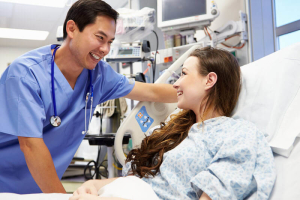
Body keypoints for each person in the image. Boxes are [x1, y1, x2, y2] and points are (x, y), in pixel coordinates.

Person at [0, 0, 177, 194]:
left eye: (110, 42)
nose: (105, 49)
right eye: (100, 37)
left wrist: (202, 91)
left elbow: (151, 91)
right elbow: (31, 146)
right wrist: (61, 198)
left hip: (41, 187)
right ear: (72, 28)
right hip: (5, 184)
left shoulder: (99, 75)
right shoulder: (25, 74)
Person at [70, 47, 276, 200]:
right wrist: (94, 185)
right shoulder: (177, 131)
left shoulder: (237, 133)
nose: (176, 83)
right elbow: (143, 181)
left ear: (209, 80)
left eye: (184, 74)